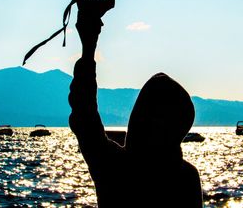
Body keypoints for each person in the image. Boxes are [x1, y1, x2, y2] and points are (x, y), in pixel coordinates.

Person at [69, 11, 202, 207]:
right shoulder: (186, 177)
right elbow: (84, 115)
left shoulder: (114, 167)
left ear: (138, 119)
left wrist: (88, 47)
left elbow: (84, 114)